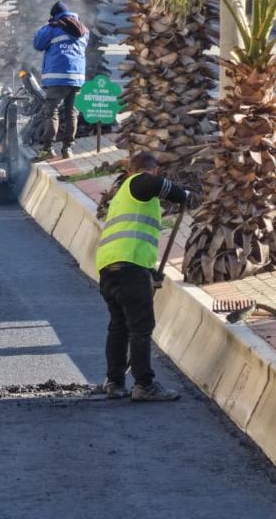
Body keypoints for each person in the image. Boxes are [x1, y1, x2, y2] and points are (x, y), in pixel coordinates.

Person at [97, 151, 196, 402]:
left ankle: (114, 382)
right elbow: (152, 183)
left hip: (110, 268)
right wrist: (184, 195)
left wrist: (150, 272)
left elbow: (133, 235)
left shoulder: (123, 197)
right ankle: (144, 384)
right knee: (141, 328)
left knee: (118, 327)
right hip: (129, 268)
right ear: (149, 170)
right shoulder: (139, 182)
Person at [32, 1, 89, 160]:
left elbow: (38, 44)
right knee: (72, 113)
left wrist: (47, 26)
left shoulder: (53, 28)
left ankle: (48, 149)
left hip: (56, 79)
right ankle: (67, 149)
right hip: (76, 79)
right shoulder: (83, 30)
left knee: (52, 113)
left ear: (54, 15)